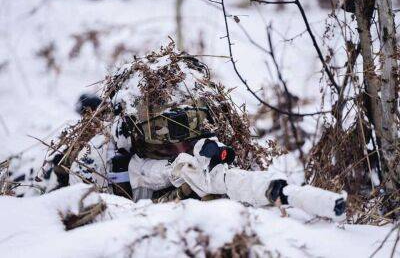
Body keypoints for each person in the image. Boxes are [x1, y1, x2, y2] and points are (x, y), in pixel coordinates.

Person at [49, 44, 346, 220]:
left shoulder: (210, 138)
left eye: (188, 141)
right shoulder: (100, 155)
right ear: (137, 140)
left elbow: (241, 184)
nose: (181, 151)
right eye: (165, 146)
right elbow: (86, 222)